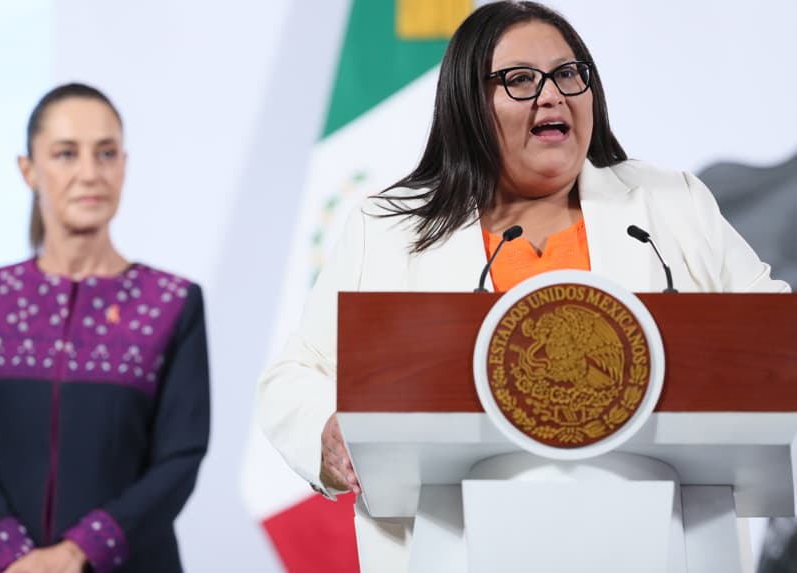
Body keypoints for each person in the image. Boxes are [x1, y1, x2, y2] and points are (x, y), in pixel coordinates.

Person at [257, 1, 790, 571]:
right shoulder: (390, 230)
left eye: (568, 73)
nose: (553, 94)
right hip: (457, 547)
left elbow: (775, 339)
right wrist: (329, 434)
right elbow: (294, 376)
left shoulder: (669, 204)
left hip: (662, 543)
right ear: (468, 103)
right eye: (519, 80)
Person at [0, 83, 210, 573]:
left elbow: (180, 457)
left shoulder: (172, 303)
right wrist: (12, 558)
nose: (90, 173)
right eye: (66, 154)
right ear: (28, 170)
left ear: (124, 165)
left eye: (106, 153)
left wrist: (75, 554)